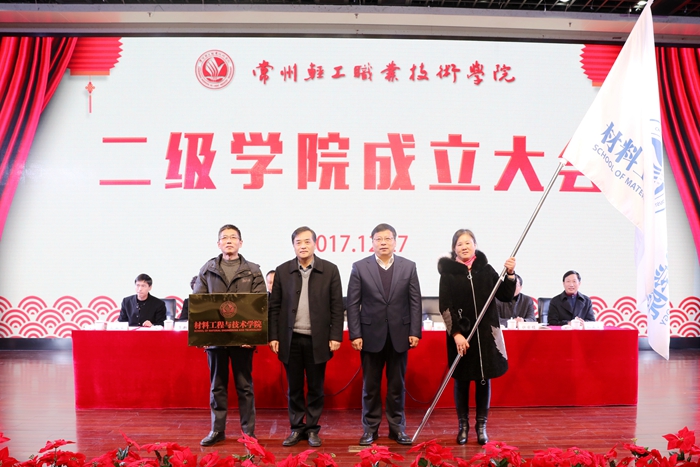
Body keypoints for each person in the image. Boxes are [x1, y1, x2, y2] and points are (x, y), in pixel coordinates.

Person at [438, 229, 516, 446]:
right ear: (454, 248)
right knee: (462, 381)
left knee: (484, 379)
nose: (464, 247)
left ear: (475, 245)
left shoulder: (486, 270)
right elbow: (445, 307)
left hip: (485, 337)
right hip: (461, 337)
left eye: (468, 243)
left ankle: (481, 427)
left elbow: (505, 295)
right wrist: (456, 334)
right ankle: (462, 426)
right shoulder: (448, 274)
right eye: (460, 244)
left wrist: (510, 274)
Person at [268, 226, 344, 448]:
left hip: (317, 339)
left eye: (307, 242)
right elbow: (274, 307)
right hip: (290, 339)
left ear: (315, 244)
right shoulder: (283, 271)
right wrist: (273, 336)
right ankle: (296, 428)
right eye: (298, 242)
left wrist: (335, 335)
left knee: (315, 387)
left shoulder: (330, 270)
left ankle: (312, 429)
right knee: (294, 387)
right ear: (293, 246)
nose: (303, 246)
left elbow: (337, 306)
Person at [346, 223, 422, 446]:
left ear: (396, 242)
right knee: (370, 387)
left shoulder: (408, 267)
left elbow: (415, 302)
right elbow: (353, 304)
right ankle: (370, 429)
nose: (383, 243)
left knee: (397, 386)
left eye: (388, 239)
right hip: (370, 335)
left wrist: (415, 331)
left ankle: (397, 429)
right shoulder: (360, 267)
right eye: (378, 239)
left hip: (400, 334)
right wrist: (355, 334)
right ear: (372, 242)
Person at [194, 224, 266, 447]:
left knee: (245, 387)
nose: (229, 241)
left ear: (240, 243)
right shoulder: (207, 270)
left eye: (233, 237)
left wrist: (251, 336)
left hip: (243, 340)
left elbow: (260, 303)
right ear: (218, 244)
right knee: (217, 386)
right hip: (216, 339)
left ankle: (248, 432)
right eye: (224, 237)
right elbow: (199, 303)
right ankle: (217, 430)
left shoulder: (253, 270)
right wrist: (202, 336)